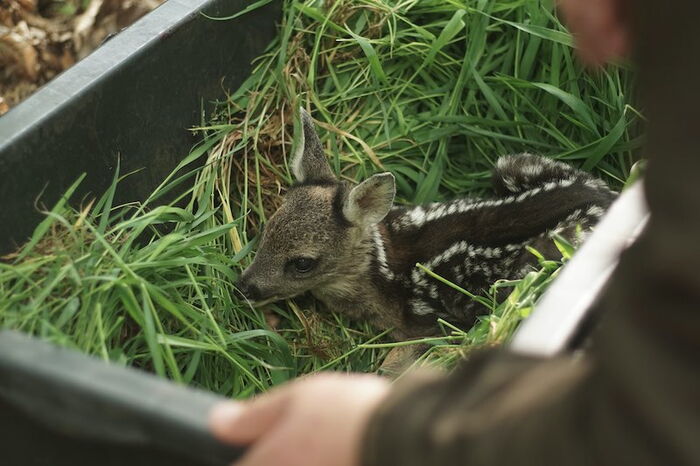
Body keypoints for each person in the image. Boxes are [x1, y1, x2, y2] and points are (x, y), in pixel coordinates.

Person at [209, 0, 700, 464]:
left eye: (301, 267)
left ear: (368, 212)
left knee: (526, 267)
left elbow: (427, 334)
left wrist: (383, 416)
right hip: (581, 206)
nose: (256, 281)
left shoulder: (400, 292)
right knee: (509, 171)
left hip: (578, 229)